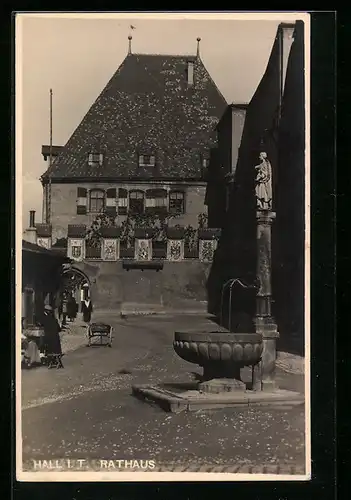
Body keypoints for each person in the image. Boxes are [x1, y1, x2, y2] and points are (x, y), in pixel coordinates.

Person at [41, 304, 64, 369]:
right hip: (56, 342)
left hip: (48, 341)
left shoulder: (44, 319)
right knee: (55, 349)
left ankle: (49, 361)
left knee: (44, 346)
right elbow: (59, 329)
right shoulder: (54, 320)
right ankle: (55, 361)